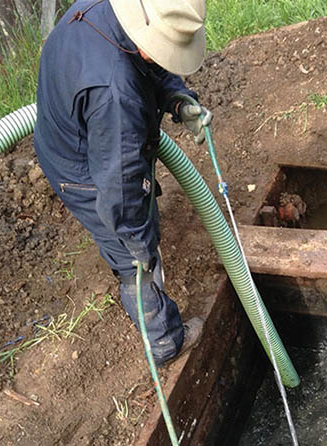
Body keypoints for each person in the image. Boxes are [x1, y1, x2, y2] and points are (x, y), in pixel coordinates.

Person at [33, 0, 209, 364]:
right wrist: (140, 245)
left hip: (75, 131)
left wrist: (177, 99)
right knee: (134, 257)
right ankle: (164, 342)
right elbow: (121, 188)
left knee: (137, 233)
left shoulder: (112, 11)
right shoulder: (116, 95)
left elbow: (147, 61)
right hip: (82, 169)